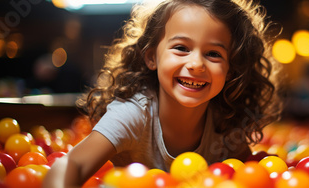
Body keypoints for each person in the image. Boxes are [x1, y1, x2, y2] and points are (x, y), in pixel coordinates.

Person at [43, 0, 281, 187]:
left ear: (231, 70)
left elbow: (250, 175)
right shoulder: (134, 113)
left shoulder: (226, 122)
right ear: (151, 57)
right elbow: (70, 166)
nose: (196, 63)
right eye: (181, 48)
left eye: (214, 54)